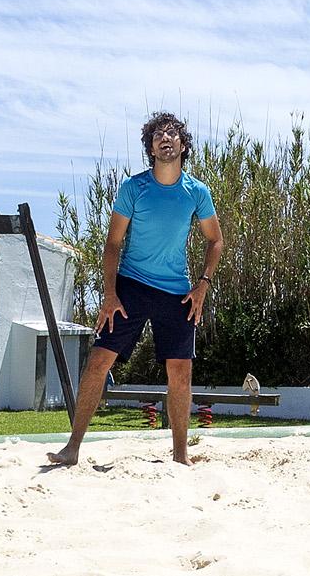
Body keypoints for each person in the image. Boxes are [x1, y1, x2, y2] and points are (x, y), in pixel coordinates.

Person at [46, 112, 222, 467]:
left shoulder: (197, 192)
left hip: (177, 293)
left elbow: (215, 240)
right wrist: (109, 294)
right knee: (98, 362)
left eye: (173, 134)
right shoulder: (133, 187)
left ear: (183, 146)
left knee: (181, 371)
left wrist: (202, 285)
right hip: (130, 286)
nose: (165, 138)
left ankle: (180, 456)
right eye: (158, 135)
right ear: (151, 147)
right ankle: (72, 448)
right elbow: (112, 244)